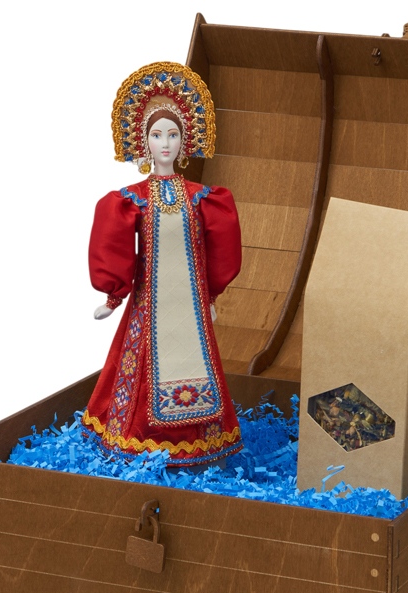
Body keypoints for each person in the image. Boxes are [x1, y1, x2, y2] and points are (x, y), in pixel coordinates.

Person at [82, 62, 243, 467]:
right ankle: (135, 437)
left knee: (197, 360)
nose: (165, 143)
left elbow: (220, 249)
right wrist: (113, 295)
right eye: (157, 135)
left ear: (185, 141)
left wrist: (212, 294)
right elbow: (115, 245)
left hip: (191, 307)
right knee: (139, 364)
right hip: (148, 304)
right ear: (144, 142)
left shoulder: (202, 197)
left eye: (173, 135)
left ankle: (201, 441)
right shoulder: (132, 199)